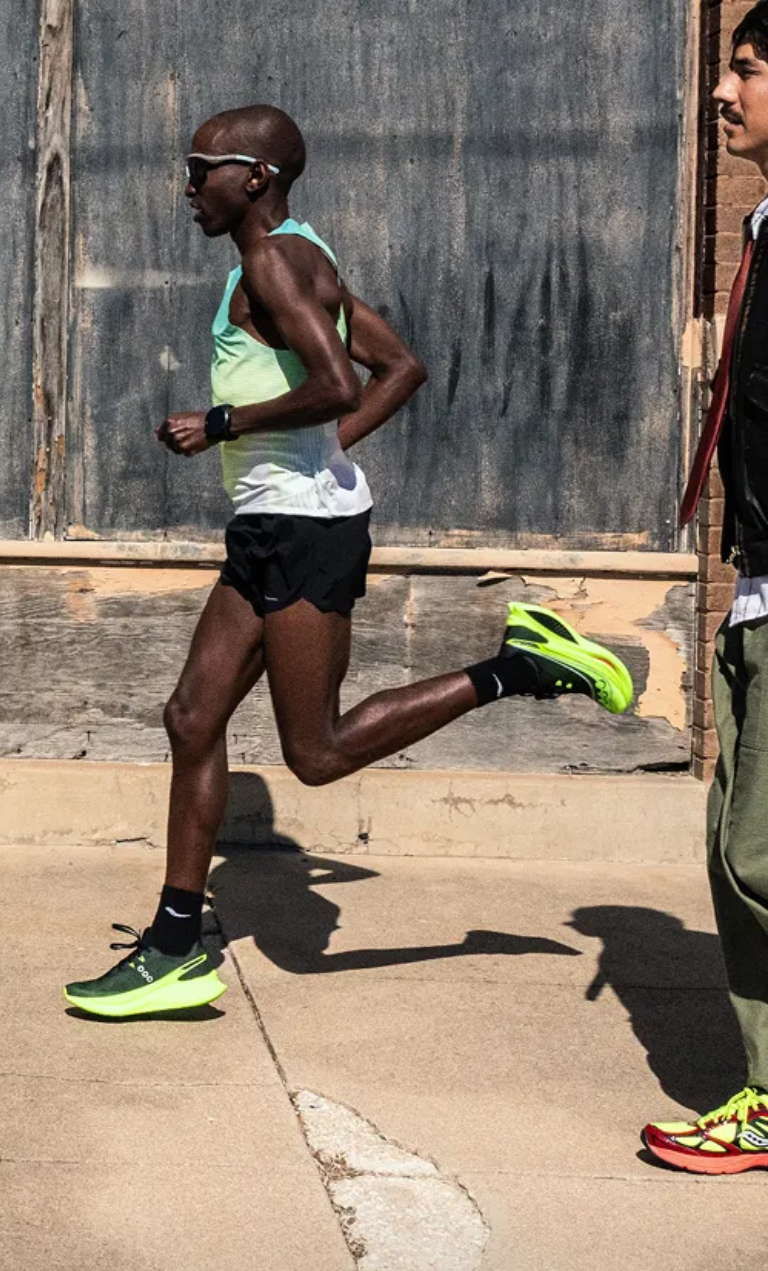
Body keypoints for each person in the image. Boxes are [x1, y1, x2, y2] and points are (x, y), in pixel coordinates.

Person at [65, 104, 634, 1020]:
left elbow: (337, 383)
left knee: (316, 753)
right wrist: (321, 450)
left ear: (254, 176)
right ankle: (172, 946)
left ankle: (519, 667)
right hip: (273, 521)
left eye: (201, 167)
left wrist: (223, 423)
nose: (187, 184)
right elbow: (399, 368)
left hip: (305, 531)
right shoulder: (297, 258)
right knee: (191, 717)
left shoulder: (275, 261)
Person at [644, 3, 768, 1174]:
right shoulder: (762, 226)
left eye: (747, 70)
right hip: (757, 587)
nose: (722, 92)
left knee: (757, 857)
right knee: (740, 851)